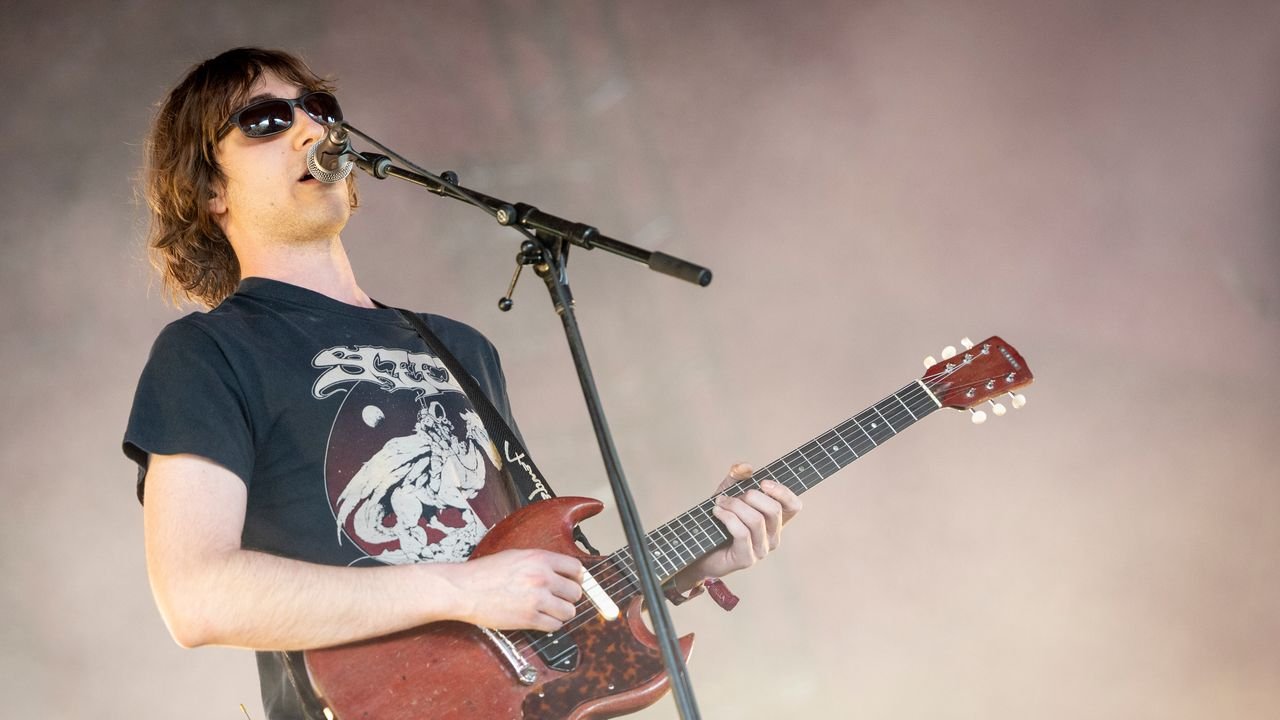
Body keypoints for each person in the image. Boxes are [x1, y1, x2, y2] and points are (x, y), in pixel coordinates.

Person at [124, 47, 802, 719]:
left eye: (320, 109)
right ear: (209, 190)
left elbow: (529, 583)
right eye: (265, 121)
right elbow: (198, 597)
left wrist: (687, 565)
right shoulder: (208, 353)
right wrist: (462, 589)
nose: (311, 129)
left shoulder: (460, 347)